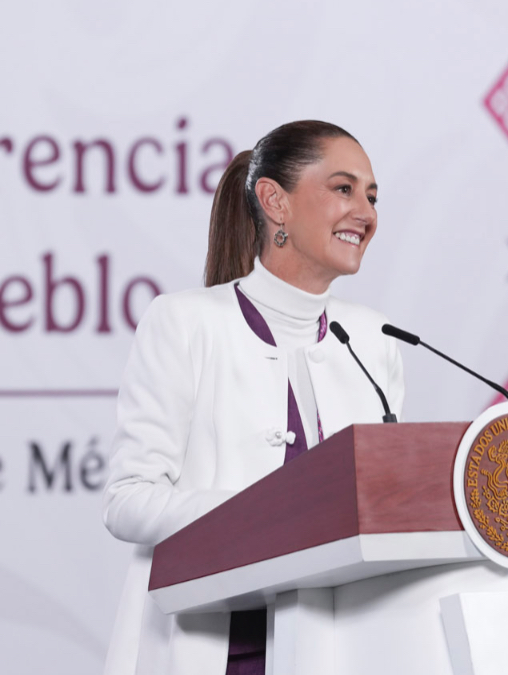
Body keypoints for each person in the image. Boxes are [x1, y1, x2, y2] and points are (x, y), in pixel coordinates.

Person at [102, 120, 405, 675]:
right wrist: (266, 511)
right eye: (343, 189)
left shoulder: (375, 340)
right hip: (217, 651)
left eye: (372, 196)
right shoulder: (184, 322)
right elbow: (128, 501)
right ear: (274, 202)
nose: (365, 212)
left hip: (336, 655)